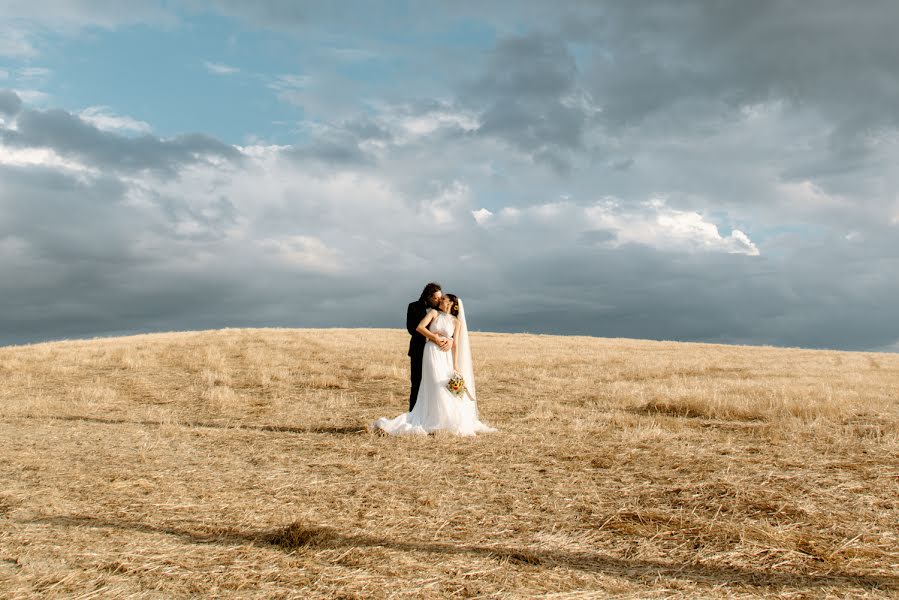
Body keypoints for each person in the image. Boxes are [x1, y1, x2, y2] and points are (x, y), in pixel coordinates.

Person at [372, 294, 497, 436]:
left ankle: (444, 418)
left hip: (446, 356)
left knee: (445, 384)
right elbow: (420, 327)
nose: (440, 300)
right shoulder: (433, 313)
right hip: (431, 351)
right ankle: (432, 418)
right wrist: (436, 338)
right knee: (434, 382)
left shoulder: (456, 322)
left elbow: (455, 344)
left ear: (450, 303)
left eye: (443, 299)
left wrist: (455, 364)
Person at [406, 282, 449, 411]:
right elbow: (412, 329)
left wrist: (449, 340)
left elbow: (449, 328)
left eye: (439, 298)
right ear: (427, 296)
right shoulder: (413, 307)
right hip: (418, 350)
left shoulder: (442, 310)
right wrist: (433, 337)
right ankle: (413, 414)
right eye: (435, 298)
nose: (438, 301)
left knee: (437, 383)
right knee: (417, 384)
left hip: (437, 353)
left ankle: (433, 414)